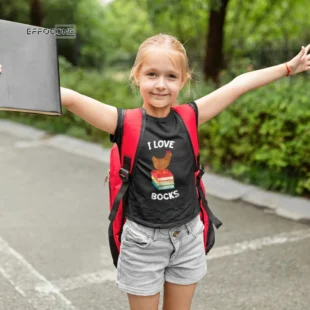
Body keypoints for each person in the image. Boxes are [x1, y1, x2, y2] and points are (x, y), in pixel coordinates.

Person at [0, 34, 309, 310]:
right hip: (142, 242)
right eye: (152, 74)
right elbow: (68, 97)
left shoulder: (190, 117)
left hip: (188, 237)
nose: (161, 84)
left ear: (183, 80)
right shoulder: (123, 121)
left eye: (171, 76)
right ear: (137, 77)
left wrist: (287, 68)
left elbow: (238, 84)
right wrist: (10, 81)